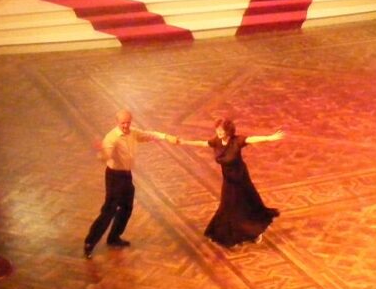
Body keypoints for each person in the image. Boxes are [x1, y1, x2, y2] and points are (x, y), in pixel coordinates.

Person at [83, 109, 177, 258]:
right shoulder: (111, 138)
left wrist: (165, 137)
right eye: (123, 123)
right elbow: (105, 157)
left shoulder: (133, 133)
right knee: (109, 211)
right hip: (114, 177)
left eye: (128, 122)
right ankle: (89, 243)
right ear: (117, 122)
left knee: (127, 207)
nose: (126, 125)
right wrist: (100, 152)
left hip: (126, 176)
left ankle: (114, 237)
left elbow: (147, 135)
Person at [175, 119, 283, 246]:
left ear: (228, 131)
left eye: (221, 130)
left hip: (240, 178)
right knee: (228, 205)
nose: (218, 132)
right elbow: (203, 143)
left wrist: (269, 138)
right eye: (217, 129)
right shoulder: (216, 141)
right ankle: (227, 232)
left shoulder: (237, 141)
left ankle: (255, 230)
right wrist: (183, 142)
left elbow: (252, 139)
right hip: (228, 179)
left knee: (244, 204)